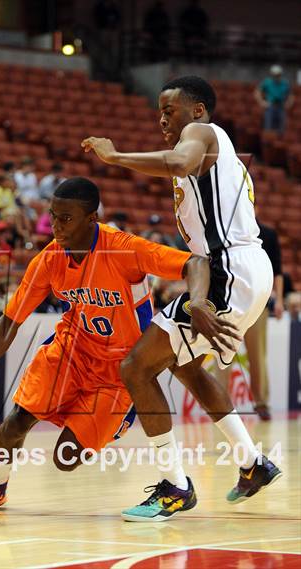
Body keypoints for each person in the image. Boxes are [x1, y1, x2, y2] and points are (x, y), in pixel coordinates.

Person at [0, 177, 229, 512]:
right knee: (15, 423)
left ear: (91, 219)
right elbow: (8, 324)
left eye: (65, 218)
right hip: (71, 351)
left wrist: (197, 303)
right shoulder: (49, 260)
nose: (55, 226)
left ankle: (114, 421)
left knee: (65, 459)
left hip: (118, 370)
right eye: (52, 216)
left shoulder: (123, 248)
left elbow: (195, 263)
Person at [82, 75, 282, 520]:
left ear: (196, 110)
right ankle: (252, 463)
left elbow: (178, 162)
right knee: (185, 364)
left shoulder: (202, 133)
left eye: (168, 110)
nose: (161, 119)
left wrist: (115, 156)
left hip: (229, 267)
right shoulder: (217, 149)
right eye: (158, 112)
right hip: (239, 268)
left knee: (136, 367)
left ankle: (175, 486)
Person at [213, 220, 284, 421]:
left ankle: (261, 402)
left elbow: (277, 270)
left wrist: (278, 299)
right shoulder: (226, 230)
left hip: (257, 302)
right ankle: (219, 404)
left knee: (257, 355)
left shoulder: (268, 234)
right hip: (229, 301)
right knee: (222, 353)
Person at [254, 65, 293, 134]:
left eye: (278, 75)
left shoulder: (285, 83)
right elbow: (257, 92)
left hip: (281, 106)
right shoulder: (267, 82)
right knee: (268, 127)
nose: (276, 76)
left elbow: (290, 95)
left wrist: (288, 103)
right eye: (275, 75)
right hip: (270, 106)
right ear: (272, 74)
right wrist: (262, 102)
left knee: (281, 128)